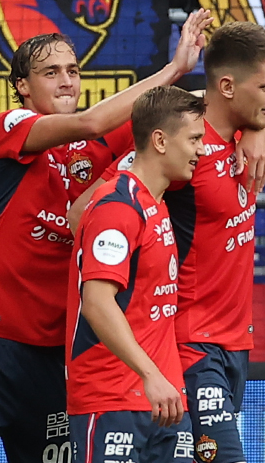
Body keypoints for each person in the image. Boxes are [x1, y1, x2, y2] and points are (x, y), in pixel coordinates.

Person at [69, 21, 265, 463]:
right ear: (228, 87)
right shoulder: (180, 152)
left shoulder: (236, 139)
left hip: (235, 343)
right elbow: (85, 210)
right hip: (189, 343)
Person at [0, 9, 213, 463]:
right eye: (50, 73)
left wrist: (255, 130)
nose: (66, 81)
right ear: (23, 86)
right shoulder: (6, 128)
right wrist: (174, 69)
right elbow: (91, 122)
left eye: (73, 71)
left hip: (53, 356)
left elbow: (186, 117)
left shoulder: (96, 148)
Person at [67, 86, 206, 463]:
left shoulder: (154, 204)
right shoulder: (118, 206)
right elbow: (96, 303)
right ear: (160, 141)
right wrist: (150, 375)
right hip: (113, 399)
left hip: (164, 401)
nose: (201, 149)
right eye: (194, 139)